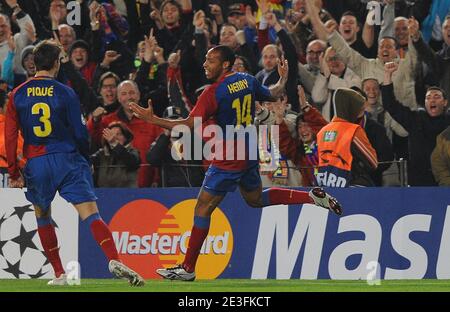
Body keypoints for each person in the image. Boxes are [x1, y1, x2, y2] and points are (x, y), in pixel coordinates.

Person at [130, 45, 342, 282]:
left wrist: (153, 119)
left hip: (229, 157)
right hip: (249, 151)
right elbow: (273, 93)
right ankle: (311, 196)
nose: (204, 64)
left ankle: (188, 268)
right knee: (255, 199)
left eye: (210, 60)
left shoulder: (213, 93)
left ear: (225, 65)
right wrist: (282, 79)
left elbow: (189, 124)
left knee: (202, 208)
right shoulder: (247, 80)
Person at [5, 40, 144, 286]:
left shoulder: (17, 94)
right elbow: (80, 132)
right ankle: (113, 259)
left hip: (37, 162)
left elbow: (10, 136)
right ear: (57, 63)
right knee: (90, 214)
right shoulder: (65, 92)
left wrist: (15, 172)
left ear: (34, 64)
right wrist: (83, 157)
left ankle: (59, 274)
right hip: (67, 158)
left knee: (42, 216)